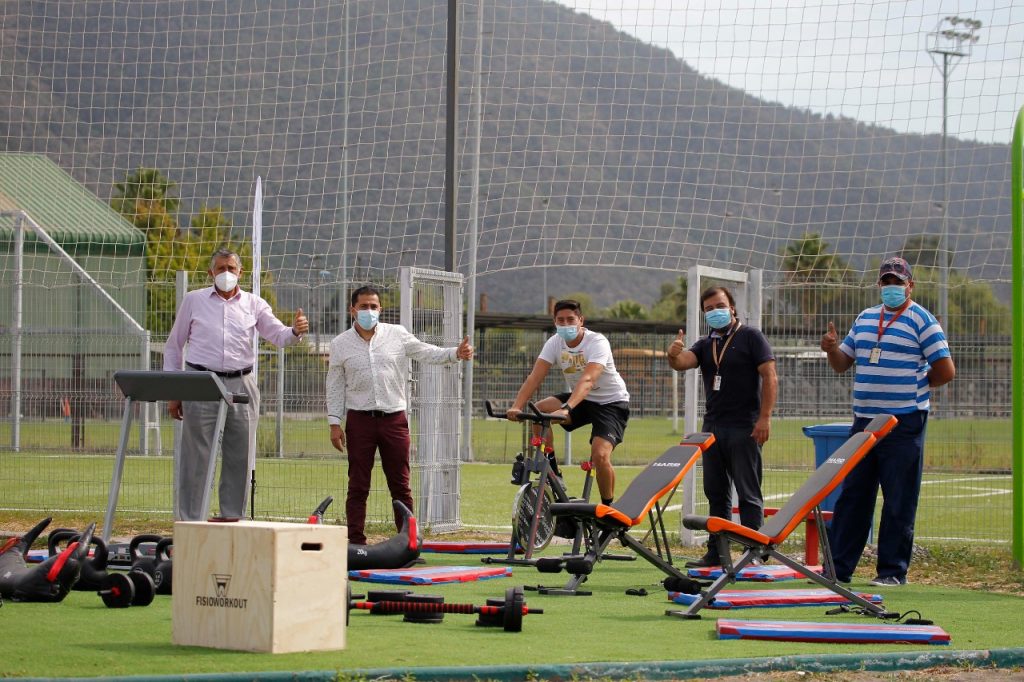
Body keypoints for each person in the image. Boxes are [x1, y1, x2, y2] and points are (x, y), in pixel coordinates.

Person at [820, 256, 955, 586]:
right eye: (886, 282)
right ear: (879, 285)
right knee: (854, 495)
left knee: (898, 497)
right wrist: (831, 348)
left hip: (903, 423)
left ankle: (892, 572)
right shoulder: (865, 319)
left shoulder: (922, 321)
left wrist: (914, 388)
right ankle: (838, 569)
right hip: (864, 421)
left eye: (898, 282)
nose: (891, 287)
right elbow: (843, 364)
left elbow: (945, 370)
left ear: (911, 285)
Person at [164, 248, 308, 521]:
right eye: (220, 268)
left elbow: (277, 334)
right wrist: (175, 392)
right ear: (211, 273)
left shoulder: (255, 304)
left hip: (241, 383)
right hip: (200, 381)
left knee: (240, 454)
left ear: (241, 273)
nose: (226, 274)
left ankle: (231, 517)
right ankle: (190, 520)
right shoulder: (193, 301)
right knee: (196, 456)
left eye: (231, 268)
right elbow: (174, 346)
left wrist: (295, 331)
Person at [326, 285, 474, 545]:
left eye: (373, 306)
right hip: (359, 420)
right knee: (358, 485)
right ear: (353, 310)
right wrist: (334, 423)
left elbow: (426, 351)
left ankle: (408, 541)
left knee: (401, 485)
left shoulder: (397, 335)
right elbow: (335, 385)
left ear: (380, 309)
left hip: (394, 419)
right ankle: (356, 543)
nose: (369, 311)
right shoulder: (340, 344)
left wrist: (454, 353)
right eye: (363, 306)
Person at [666, 286, 777, 568]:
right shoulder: (706, 343)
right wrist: (673, 354)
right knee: (716, 493)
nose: (715, 312)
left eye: (720, 305)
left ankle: (755, 552)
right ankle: (717, 551)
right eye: (709, 309)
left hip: (745, 427)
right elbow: (683, 363)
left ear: (732, 308)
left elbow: (770, 376)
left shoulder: (751, 336)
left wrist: (764, 418)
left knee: (748, 492)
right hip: (713, 427)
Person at [506, 299, 630, 507]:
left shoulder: (597, 342)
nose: (565, 324)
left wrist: (567, 408)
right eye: (560, 320)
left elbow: (588, 380)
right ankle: (554, 474)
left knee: (599, 455)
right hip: (582, 400)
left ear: (581, 320)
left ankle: (608, 509)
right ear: (554, 322)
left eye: (570, 320)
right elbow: (535, 377)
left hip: (611, 403)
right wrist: (516, 406)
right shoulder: (555, 342)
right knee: (540, 412)